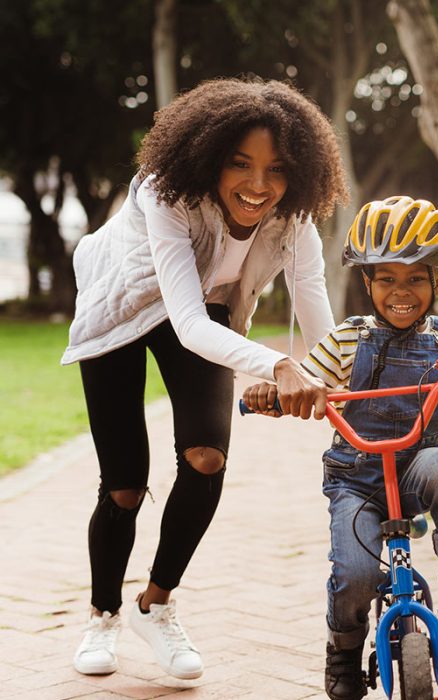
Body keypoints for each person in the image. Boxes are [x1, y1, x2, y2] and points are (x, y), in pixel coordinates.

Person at [62, 77, 348, 680]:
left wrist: (338, 376)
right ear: (209, 158)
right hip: (121, 309)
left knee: (206, 455)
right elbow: (187, 323)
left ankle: (155, 605)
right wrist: (278, 363)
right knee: (123, 485)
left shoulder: (294, 221)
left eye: (276, 170)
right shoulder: (166, 195)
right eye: (240, 164)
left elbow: (315, 304)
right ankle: (103, 614)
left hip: (203, 309)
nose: (258, 185)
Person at [242, 195, 438, 700]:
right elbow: (307, 380)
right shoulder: (348, 339)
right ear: (367, 282)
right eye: (387, 278)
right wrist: (275, 393)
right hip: (357, 480)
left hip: (416, 473)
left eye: (416, 278)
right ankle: (344, 651)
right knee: (353, 574)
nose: (401, 292)